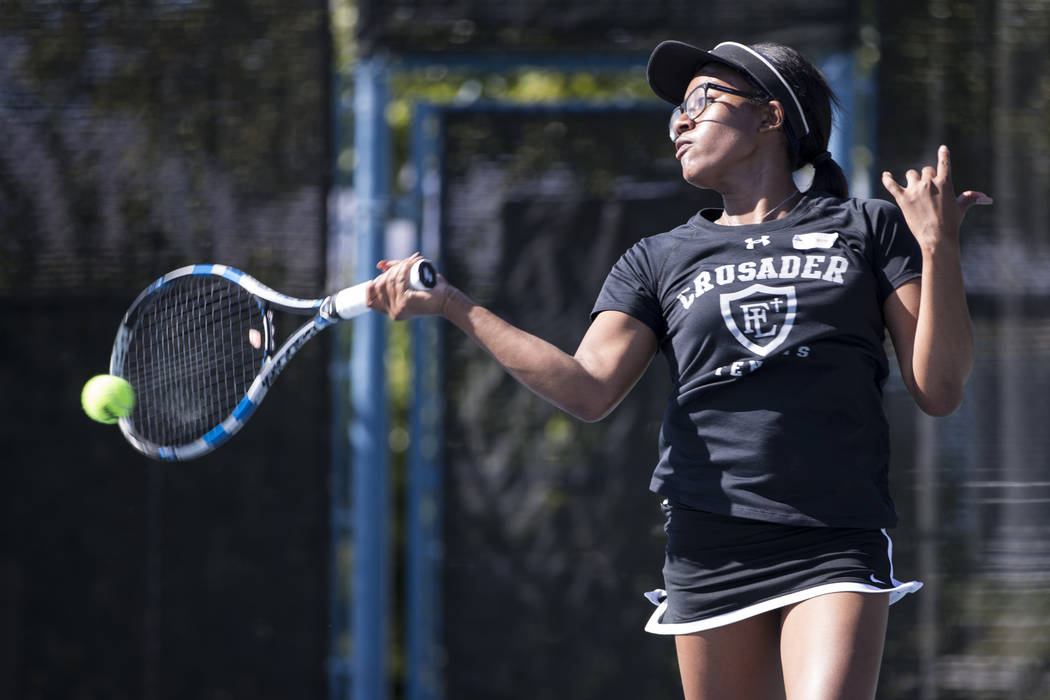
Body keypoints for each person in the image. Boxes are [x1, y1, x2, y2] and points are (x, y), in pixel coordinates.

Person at [366, 39, 993, 700]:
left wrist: (938, 244)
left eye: (700, 103)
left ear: (770, 117)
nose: (681, 124)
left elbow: (941, 389)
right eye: (675, 116)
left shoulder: (867, 229)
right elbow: (588, 389)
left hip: (834, 537)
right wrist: (454, 306)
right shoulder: (656, 260)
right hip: (709, 544)